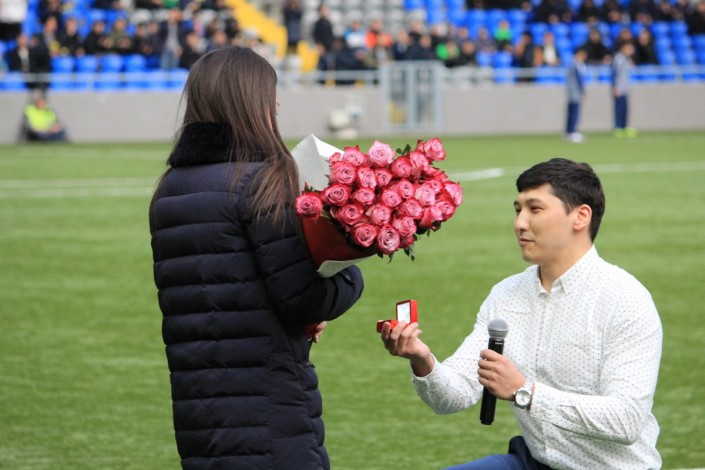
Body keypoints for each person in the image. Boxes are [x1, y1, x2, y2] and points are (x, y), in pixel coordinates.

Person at [149, 47, 364, 469]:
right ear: (251, 103)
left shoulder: (169, 188)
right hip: (268, 406)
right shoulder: (260, 180)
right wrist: (350, 274)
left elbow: (226, 289)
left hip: (198, 406)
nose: (276, 109)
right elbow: (301, 299)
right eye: (271, 99)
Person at [380, 157, 662, 469]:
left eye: (535, 209)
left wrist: (524, 392)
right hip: (533, 462)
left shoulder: (625, 299)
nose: (520, 223)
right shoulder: (506, 294)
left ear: (581, 216)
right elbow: (454, 396)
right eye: (518, 210)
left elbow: (626, 420)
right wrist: (422, 360)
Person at [612, 41, 636, 138]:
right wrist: (615, 87)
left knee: (625, 109)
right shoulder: (618, 58)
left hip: (625, 88)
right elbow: (615, 74)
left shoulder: (627, 59)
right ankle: (618, 128)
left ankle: (624, 127)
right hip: (619, 88)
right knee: (619, 109)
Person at [565, 48, 587, 143]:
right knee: (574, 112)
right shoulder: (575, 65)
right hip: (575, 92)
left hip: (572, 92)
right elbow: (579, 80)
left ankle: (569, 131)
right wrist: (582, 92)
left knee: (572, 111)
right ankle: (572, 131)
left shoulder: (574, 65)